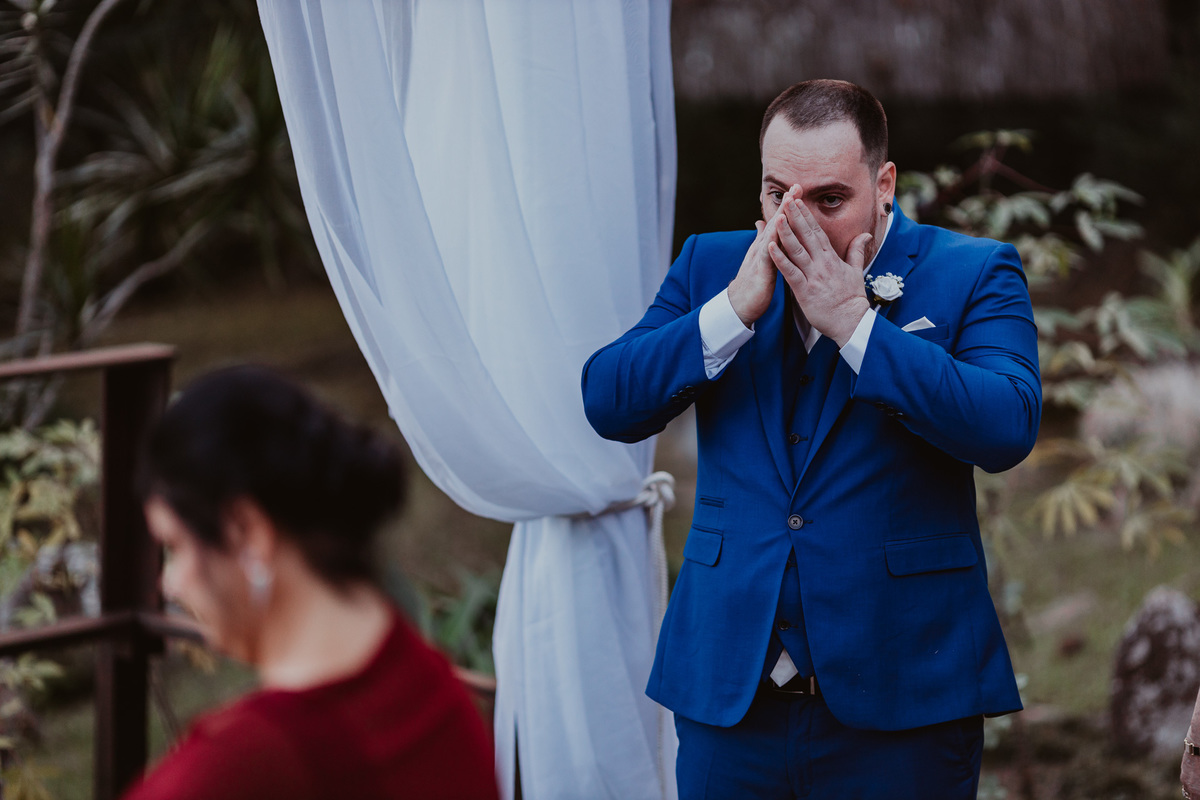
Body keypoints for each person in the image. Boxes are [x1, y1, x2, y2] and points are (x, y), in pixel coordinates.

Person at [582, 79, 1041, 798]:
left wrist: (856, 325)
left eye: (829, 200)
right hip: (731, 703)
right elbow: (608, 401)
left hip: (903, 703)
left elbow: (1007, 425)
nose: (798, 223)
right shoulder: (711, 265)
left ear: (883, 184)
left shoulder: (972, 271)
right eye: (778, 196)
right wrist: (730, 312)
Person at [124, 366, 499, 800]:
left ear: (247, 531)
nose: (169, 583)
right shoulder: (428, 680)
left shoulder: (236, 771)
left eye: (175, 547)